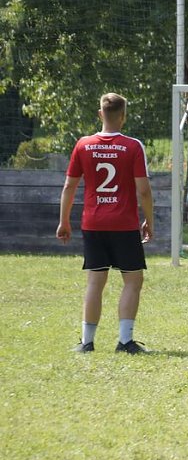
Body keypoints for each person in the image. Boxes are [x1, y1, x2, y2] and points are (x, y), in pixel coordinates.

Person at [56, 92, 154, 355]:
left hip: (93, 224)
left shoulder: (83, 145)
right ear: (123, 116)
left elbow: (69, 186)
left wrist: (64, 221)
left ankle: (87, 342)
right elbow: (143, 190)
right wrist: (149, 220)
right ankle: (125, 341)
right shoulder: (133, 146)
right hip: (123, 224)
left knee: (95, 282)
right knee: (133, 281)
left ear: (100, 114)